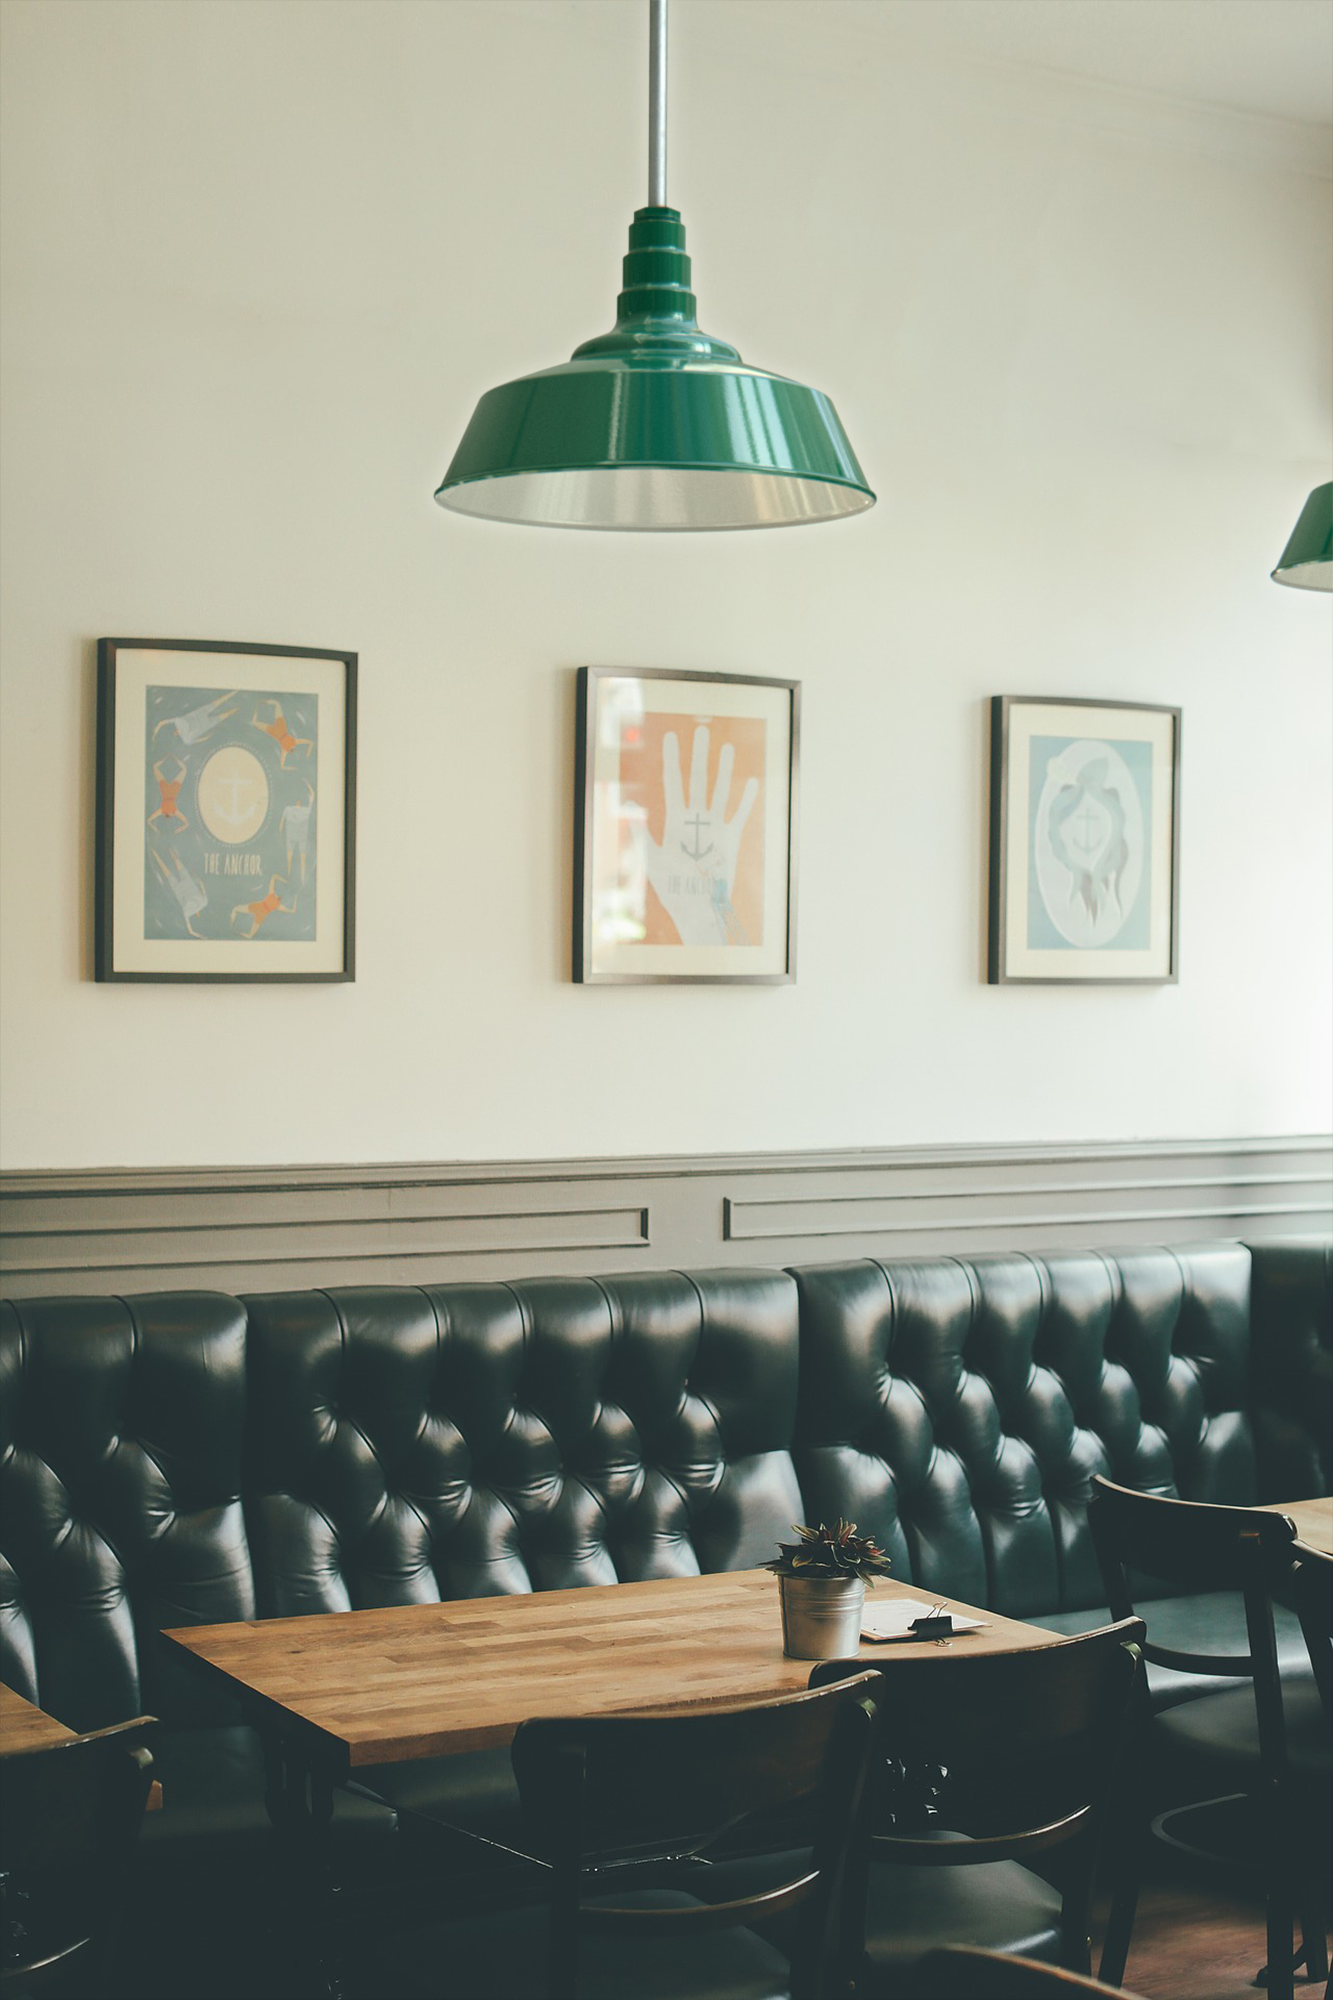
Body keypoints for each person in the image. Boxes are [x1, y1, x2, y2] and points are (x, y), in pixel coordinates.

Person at [150, 847, 207, 939]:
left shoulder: (204, 902)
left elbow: (202, 886)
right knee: (164, 868)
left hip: (186, 881)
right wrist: (201, 936)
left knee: (176, 861)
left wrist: (200, 882)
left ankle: (167, 847)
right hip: (177, 887)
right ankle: (154, 851)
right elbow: (190, 931)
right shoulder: (186, 913)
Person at [152, 689, 238, 746]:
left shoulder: (186, 741)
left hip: (207, 724)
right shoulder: (178, 722)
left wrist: (207, 736)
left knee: (226, 715)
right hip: (201, 713)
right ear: (174, 732)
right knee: (219, 702)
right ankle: (235, 692)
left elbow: (202, 739)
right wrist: (155, 733)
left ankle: (239, 707)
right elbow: (162, 723)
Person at [253, 699, 313, 769]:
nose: (292, 752)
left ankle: (256, 707)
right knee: (277, 704)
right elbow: (310, 742)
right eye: (294, 752)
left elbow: (282, 766)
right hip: (281, 727)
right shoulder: (294, 742)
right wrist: (308, 752)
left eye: (293, 754)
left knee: (255, 723)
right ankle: (260, 703)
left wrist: (292, 768)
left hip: (275, 732)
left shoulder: (285, 750)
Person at [230, 874, 295, 937]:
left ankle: (232, 926)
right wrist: (295, 899)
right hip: (261, 912)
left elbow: (274, 876)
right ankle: (233, 928)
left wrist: (285, 881)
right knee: (250, 935)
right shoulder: (277, 904)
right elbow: (292, 911)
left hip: (258, 908)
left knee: (235, 909)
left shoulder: (272, 895)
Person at [280, 781, 315, 884]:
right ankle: (289, 877)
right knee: (290, 858)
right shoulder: (289, 809)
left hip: (300, 835)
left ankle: (302, 879)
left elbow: (312, 798)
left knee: (301, 858)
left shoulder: (305, 810)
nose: (298, 802)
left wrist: (308, 786)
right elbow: (281, 823)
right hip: (292, 835)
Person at [148, 756, 189, 831]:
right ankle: (172, 758)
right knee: (155, 767)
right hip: (167, 789)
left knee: (184, 770)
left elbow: (186, 823)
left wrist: (180, 829)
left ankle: (170, 759)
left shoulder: (172, 811)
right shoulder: (164, 810)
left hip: (170, 790)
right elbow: (149, 820)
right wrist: (153, 827)